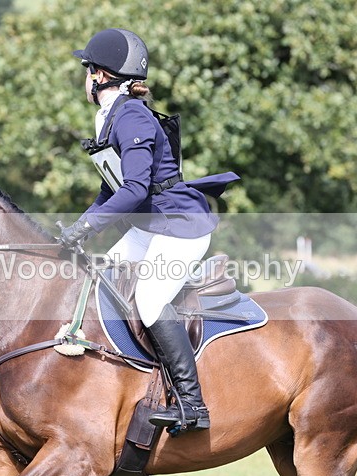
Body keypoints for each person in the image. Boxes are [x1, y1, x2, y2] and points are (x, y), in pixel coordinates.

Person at [60, 28, 237, 432]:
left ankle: (193, 405)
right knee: (101, 280)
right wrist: (77, 230)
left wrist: (87, 225)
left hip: (179, 226)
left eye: (87, 69)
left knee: (151, 298)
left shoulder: (132, 116)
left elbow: (136, 187)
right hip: (149, 226)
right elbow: (111, 188)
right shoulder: (110, 116)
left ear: (100, 75)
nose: (84, 78)